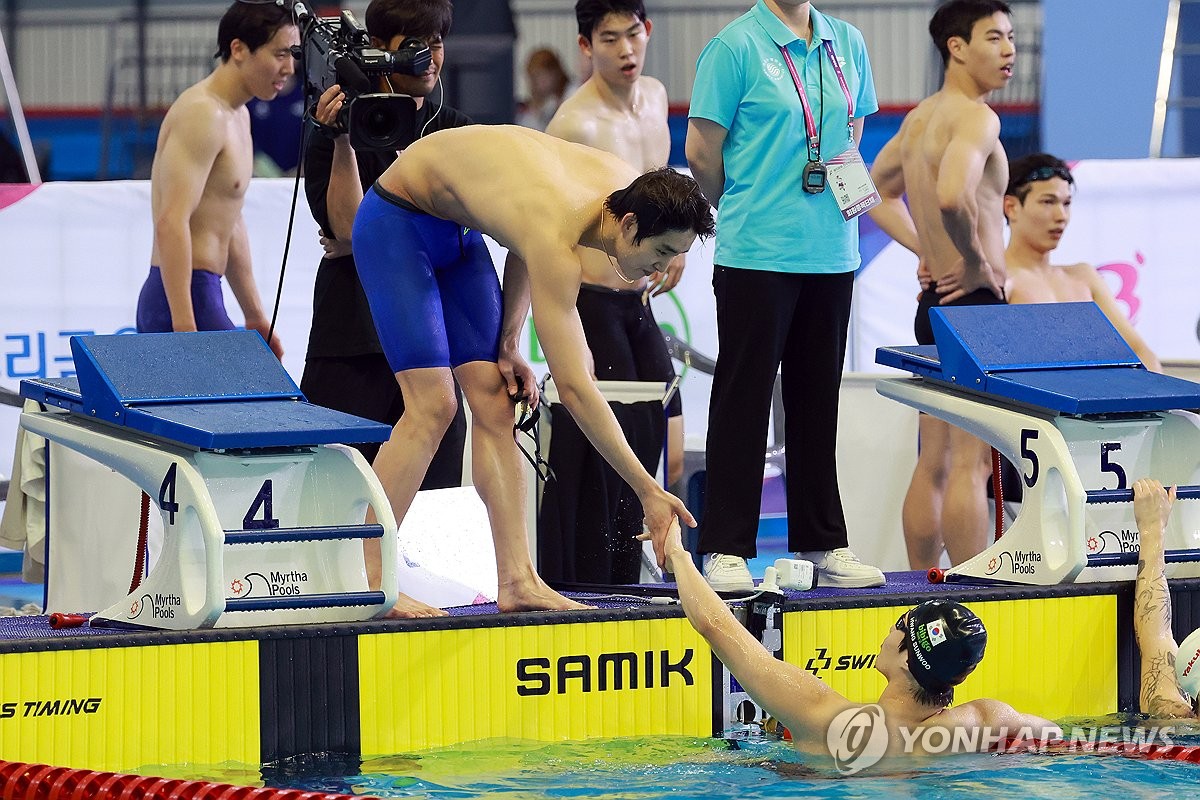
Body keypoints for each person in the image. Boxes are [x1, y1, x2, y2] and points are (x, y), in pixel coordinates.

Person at [351, 125, 713, 616]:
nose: (656, 271)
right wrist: (648, 489)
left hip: (458, 231)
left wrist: (508, 342)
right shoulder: (560, 227)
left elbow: (520, 239)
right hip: (396, 220)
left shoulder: (629, 190)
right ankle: (371, 578)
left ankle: (518, 579)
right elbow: (576, 387)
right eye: (662, 253)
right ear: (628, 226)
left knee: (497, 400)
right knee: (432, 406)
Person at [685, 0, 885, 591]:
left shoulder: (846, 40)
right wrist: (751, 200)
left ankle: (823, 542)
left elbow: (851, 132)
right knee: (744, 397)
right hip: (756, 251)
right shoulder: (735, 47)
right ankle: (724, 546)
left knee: (817, 401)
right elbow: (701, 153)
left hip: (832, 249)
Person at [653, 518, 1059, 767]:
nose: (890, 629)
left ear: (905, 659)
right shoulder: (982, 721)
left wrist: (677, 553)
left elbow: (716, 626)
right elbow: (1060, 739)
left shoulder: (828, 721)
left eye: (902, 624)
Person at [539, 0, 684, 584]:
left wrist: (671, 256)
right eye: (609, 40)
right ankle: (591, 581)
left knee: (662, 443)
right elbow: (549, 224)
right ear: (585, 46)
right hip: (593, 305)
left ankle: (628, 571)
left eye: (633, 35)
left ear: (647, 32)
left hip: (640, 306)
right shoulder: (574, 125)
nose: (626, 50)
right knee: (598, 455)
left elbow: (666, 195)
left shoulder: (654, 98)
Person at [867, 0, 1015, 571]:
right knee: (970, 462)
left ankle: (920, 582)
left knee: (932, 458)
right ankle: (975, 588)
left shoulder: (918, 119)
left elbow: (862, 188)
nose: (1009, 51)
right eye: (995, 38)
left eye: (1010, 38)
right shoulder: (976, 117)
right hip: (974, 302)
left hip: (932, 304)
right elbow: (955, 196)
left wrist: (926, 250)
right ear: (957, 47)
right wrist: (975, 262)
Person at [302, 0, 470, 482]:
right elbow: (350, 231)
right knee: (336, 505)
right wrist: (339, 143)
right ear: (378, 50)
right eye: (415, 46)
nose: (430, 58)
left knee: (433, 512)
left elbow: (469, 231)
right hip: (353, 342)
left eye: (437, 43)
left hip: (434, 347)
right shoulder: (333, 123)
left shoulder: (453, 130)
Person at [135, 1, 294, 359]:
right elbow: (172, 220)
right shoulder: (202, 113)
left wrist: (254, 315)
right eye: (280, 54)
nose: (289, 67)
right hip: (179, 297)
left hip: (204, 291)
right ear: (238, 49)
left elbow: (229, 219)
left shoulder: (238, 116)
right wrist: (185, 330)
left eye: (292, 54)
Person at [1003, 153, 1162, 372]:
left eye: (1066, 203)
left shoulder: (1084, 277)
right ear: (1011, 207)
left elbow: (1140, 351)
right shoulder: (1001, 280)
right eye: (1048, 202)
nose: (1061, 216)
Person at [1132, 478, 1196, 719]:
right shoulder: (1173, 716)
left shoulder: (1171, 717)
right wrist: (1152, 530)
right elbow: (1156, 637)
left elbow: (1155, 638)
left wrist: (1153, 529)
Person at [516, 48, 572, 132]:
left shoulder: (571, 94)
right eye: (532, 77)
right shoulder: (529, 108)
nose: (534, 83)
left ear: (554, 73)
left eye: (539, 76)